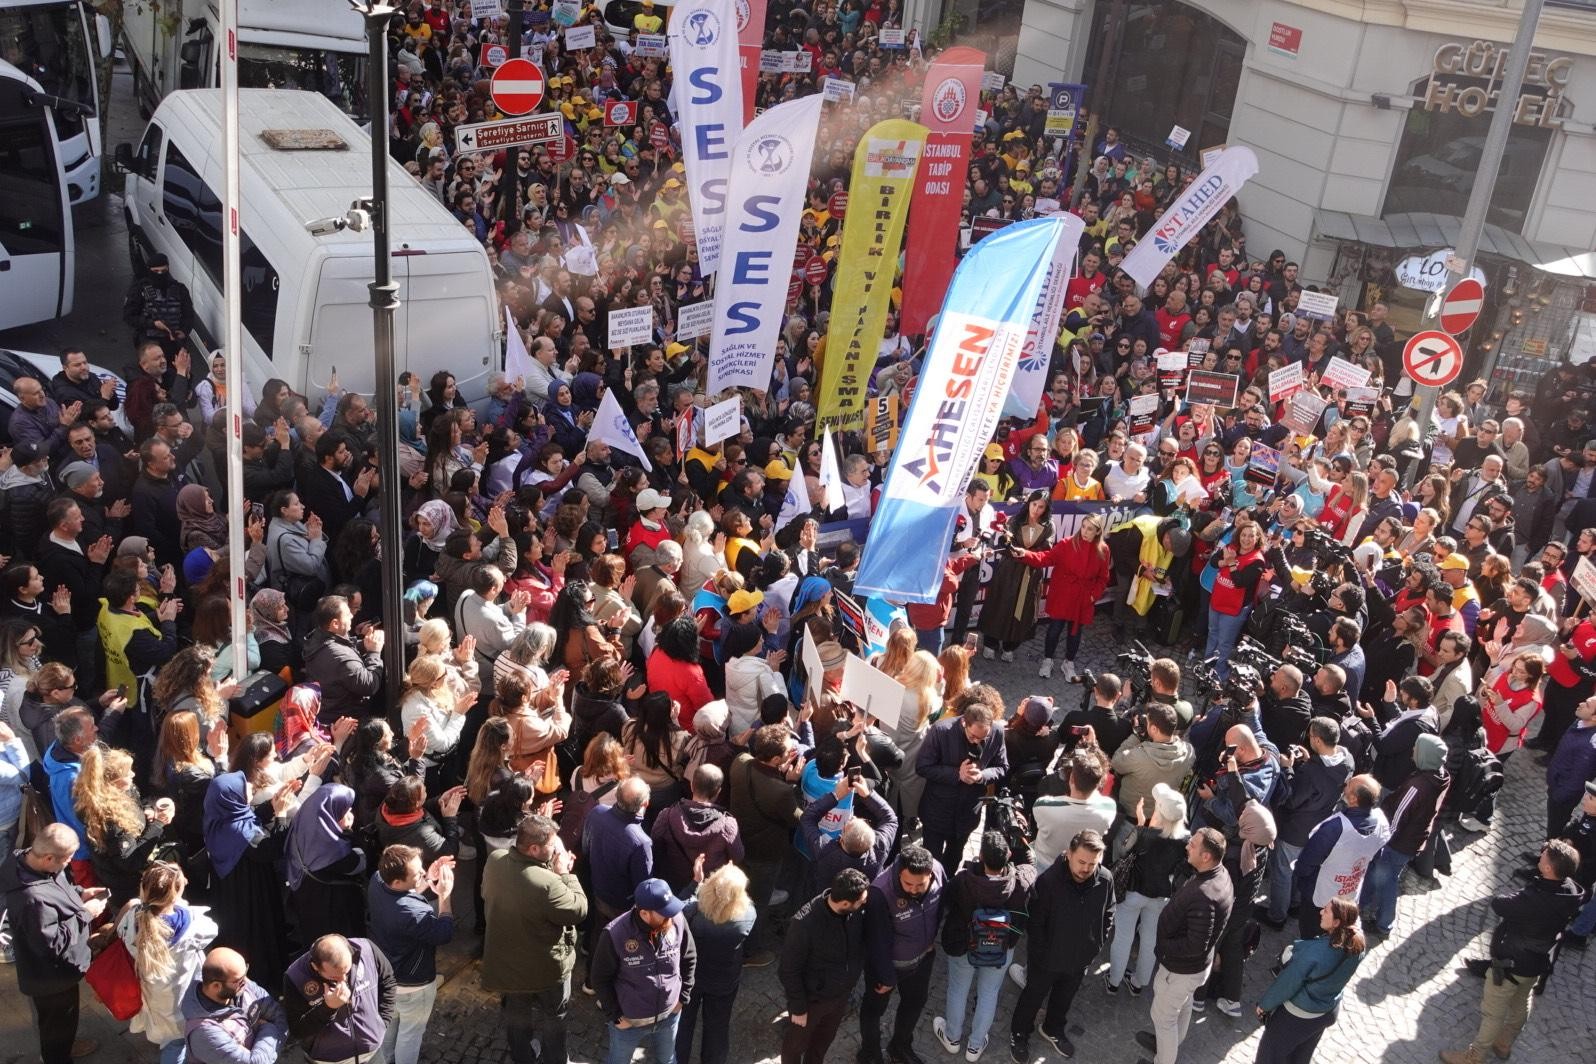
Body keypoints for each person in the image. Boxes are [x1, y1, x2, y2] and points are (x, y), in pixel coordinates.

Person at [1439, 840, 1586, 1064]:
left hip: (1511, 961)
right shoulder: (1571, 891)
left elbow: (1500, 904)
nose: (1541, 854)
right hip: (1536, 963)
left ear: (1548, 869)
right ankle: (1504, 1043)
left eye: (1544, 855)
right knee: (1521, 1003)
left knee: (1493, 1012)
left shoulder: (1535, 899)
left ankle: (1474, 1056)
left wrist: (1525, 893)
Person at [480, 815, 587, 1064]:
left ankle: (523, 1057)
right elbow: (578, 910)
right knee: (554, 1016)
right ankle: (555, 1059)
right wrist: (565, 874)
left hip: (508, 967)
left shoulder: (496, 860)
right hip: (546, 970)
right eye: (553, 845)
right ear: (534, 849)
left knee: (516, 1017)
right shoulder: (550, 883)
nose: (557, 849)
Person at [0, 824, 106, 1064]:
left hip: (54, 975)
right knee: (57, 1023)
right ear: (49, 858)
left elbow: (58, 890)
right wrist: (85, 914)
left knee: (58, 1024)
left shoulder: (31, 862)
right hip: (51, 980)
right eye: (67, 859)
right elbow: (52, 945)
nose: (69, 863)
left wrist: (80, 894)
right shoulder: (32, 900)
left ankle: (62, 1046)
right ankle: (56, 1056)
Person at [1008, 830, 1114, 1063]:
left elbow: (1109, 912)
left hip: (1078, 960)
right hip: (1046, 959)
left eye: (1092, 863)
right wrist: (1040, 955)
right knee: (1032, 997)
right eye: (1082, 861)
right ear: (1069, 854)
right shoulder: (1049, 883)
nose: (1086, 868)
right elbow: (1035, 925)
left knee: (1064, 999)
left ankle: (1053, 1028)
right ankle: (1019, 1033)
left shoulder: (1105, 879)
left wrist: (1095, 946)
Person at [935, 830, 1037, 1061]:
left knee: (958, 989)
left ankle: (952, 1037)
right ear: (1008, 855)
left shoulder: (963, 880)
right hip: (1000, 948)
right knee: (989, 993)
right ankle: (975, 1045)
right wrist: (1023, 839)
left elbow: (946, 903)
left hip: (964, 946)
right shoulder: (1019, 882)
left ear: (980, 855)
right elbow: (1032, 864)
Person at [1133, 827, 1233, 1064]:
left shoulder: (1205, 894)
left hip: (1181, 970)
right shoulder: (1219, 875)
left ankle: (1164, 1056)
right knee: (1183, 1006)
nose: (1187, 845)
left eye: (1193, 845)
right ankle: (1169, 1044)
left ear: (1206, 856)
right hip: (1192, 970)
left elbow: (1194, 945)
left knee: (1164, 1018)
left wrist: (1164, 947)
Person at [589, 876, 698, 1064]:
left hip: (669, 1017)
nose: (670, 916)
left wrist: (683, 998)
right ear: (645, 913)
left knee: (668, 1060)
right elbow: (600, 979)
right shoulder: (615, 934)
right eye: (664, 912)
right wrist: (616, 1016)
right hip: (629, 1024)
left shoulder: (676, 920)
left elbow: (689, 957)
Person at [1259, 717, 1353, 931]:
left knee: (1283, 871)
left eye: (1311, 736)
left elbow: (1292, 800)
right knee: (1301, 868)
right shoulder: (1347, 760)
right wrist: (1311, 760)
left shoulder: (1312, 773)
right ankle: (1294, 904)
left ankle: (1277, 916)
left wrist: (1288, 769)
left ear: (1318, 740)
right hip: (1318, 826)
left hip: (1295, 829)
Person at [368, 845, 456, 1064]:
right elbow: (443, 934)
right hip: (414, 985)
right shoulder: (413, 913)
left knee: (388, 1026)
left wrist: (427, 879)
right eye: (418, 873)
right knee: (410, 1036)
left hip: (386, 977)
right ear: (398, 881)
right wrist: (445, 897)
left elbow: (403, 894)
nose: (423, 874)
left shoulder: (378, 880)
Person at [1253, 898, 1368, 1064]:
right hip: (1326, 1011)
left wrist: (1264, 1005)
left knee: (1270, 1054)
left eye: (1326, 911)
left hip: (1298, 1016)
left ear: (1336, 923)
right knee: (1299, 1057)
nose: (1321, 912)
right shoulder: (1358, 943)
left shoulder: (1313, 953)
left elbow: (1288, 983)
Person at [860, 844, 944, 1064]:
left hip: (922, 960)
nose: (914, 890)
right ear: (899, 873)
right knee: (873, 1009)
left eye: (921, 884)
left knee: (914, 1003)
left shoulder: (938, 871)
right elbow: (876, 939)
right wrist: (886, 977)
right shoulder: (880, 893)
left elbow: (940, 908)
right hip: (887, 968)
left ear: (930, 874)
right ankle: (870, 1053)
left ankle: (900, 1047)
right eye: (908, 883)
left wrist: (930, 941)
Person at [1361, 734, 1450, 937]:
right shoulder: (1441, 775)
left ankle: (1383, 924)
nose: (1412, 752)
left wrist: (1381, 841)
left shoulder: (1416, 786)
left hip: (1397, 844)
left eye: (1416, 749)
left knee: (1386, 881)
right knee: (1384, 876)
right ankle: (1366, 904)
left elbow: (1397, 817)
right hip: (1413, 841)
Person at [778, 868, 870, 1064]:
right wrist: (799, 1008)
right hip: (812, 1002)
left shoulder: (854, 912)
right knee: (795, 1046)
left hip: (840, 996)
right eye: (861, 901)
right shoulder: (804, 924)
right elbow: (788, 969)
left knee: (823, 1042)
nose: (865, 904)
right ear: (845, 904)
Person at [1291, 775, 1391, 941]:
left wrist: (1301, 877)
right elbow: (1375, 858)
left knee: (1310, 932)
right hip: (1349, 892)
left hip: (1320, 893)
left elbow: (1307, 863)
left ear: (1353, 798)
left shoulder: (1334, 828)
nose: (1344, 786)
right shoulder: (1382, 822)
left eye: (1348, 786)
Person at [916, 698, 1009, 874]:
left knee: (954, 857)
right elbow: (923, 767)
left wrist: (982, 775)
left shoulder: (997, 732)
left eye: (983, 738)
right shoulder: (941, 731)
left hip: (967, 813)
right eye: (973, 736)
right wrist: (956, 774)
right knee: (929, 860)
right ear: (963, 722)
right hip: (937, 811)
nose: (976, 742)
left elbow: (1002, 767)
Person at [674, 864, 755, 1064]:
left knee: (683, 1024)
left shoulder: (694, 912)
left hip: (690, 977)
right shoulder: (747, 916)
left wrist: (695, 883)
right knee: (718, 1027)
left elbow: (676, 906)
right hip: (724, 979)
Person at [281, 934, 397, 1064]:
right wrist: (328, 1008)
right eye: (334, 977)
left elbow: (388, 982)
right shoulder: (295, 977)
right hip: (328, 1060)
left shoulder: (367, 950)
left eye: (347, 972)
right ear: (315, 967)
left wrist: (381, 1024)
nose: (343, 980)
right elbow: (297, 1030)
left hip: (372, 1054)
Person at [180, 946, 291, 1064]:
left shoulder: (242, 987)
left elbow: (280, 1017)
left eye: (245, 972)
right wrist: (268, 1028)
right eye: (239, 980)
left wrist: (265, 1053)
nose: (246, 981)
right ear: (216, 986)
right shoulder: (204, 1033)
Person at [649, 763, 744, 898]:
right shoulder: (728, 824)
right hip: (710, 888)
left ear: (692, 785)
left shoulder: (667, 815)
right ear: (718, 791)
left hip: (676, 883)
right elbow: (738, 856)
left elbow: (655, 845)